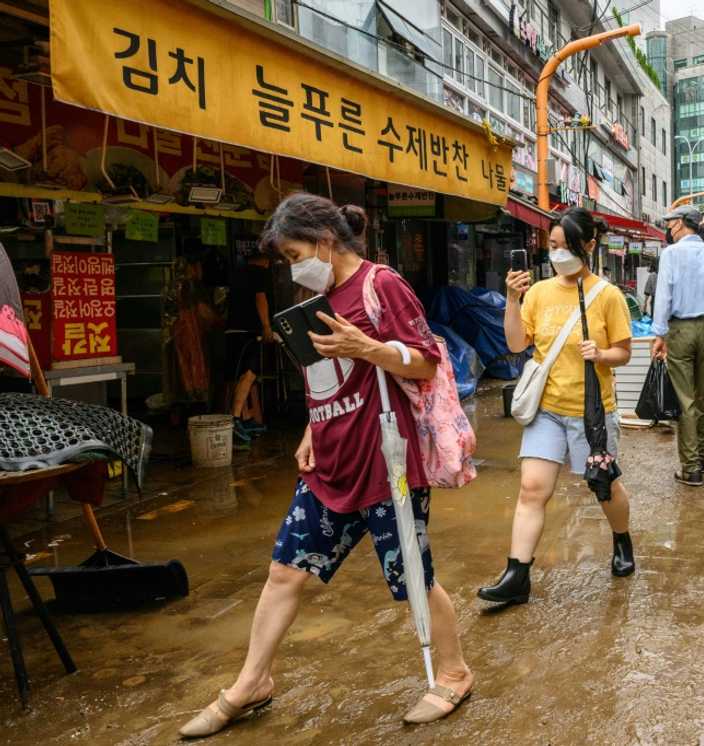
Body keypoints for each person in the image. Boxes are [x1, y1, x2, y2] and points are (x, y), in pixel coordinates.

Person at [179, 194, 473, 737]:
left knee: (412, 574)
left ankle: (452, 672)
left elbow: (427, 361)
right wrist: (313, 429)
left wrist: (368, 346)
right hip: (329, 460)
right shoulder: (311, 296)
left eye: (295, 253)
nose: (295, 267)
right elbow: (325, 379)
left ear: (324, 241)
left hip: (386, 460)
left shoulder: (380, 285)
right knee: (284, 571)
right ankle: (252, 682)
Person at [478, 207, 636, 606]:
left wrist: (601, 353)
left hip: (591, 413)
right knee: (532, 488)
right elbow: (516, 345)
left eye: (567, 246)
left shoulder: (607, 295)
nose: (559, 253)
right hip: (547, 407)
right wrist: (513, 299)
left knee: (604, 487)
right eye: (553, 245)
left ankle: (621, 540)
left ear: (589, 246)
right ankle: (517, 574)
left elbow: (625, 353)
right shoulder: (539, 293)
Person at [651, 205, 704, 487]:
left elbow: (664, 296)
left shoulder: (671, 254)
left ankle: (690, 467)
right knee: (703, 396)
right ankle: (703, 456)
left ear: (680, 223)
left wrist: (659, 334)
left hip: (681, 330)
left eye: (670, 223)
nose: (668, 228)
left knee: (686, 399)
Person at [226, 251, 273, 443]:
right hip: (246, 331)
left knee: (241, 376)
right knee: (249, 374)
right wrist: (267, 326)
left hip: (233, 330)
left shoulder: (237, 274)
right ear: (265, 260)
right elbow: (260, 298)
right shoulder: (258, 274)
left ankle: (245, 419)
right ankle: (235, 420)